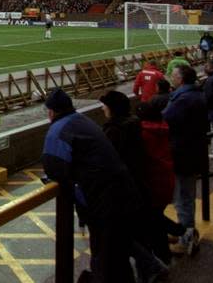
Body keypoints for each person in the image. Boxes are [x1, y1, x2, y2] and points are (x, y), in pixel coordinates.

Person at [42, 88, 141, 283]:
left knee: (106, 259)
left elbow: (53, 168)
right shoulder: (82, 121)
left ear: (51, 112)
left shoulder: (59, 130)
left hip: (104, 202)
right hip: (124, 194)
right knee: (117, 258)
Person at [98, 91, 168, 283]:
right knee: (136, 232)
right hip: (137, 187)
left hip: (121, 192)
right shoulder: (134, 124)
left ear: (112, 108)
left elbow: (108, 162)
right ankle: (150, 268)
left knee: (120, 235)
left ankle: (150, 267)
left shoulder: (115, 130)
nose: (102, 108)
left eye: (105, 105)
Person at [162, 65, 207, 255]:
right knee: (185, 197)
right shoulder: (195, 94)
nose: (171, 78)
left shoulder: (183, 99)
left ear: (181, 79)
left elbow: (166, 119)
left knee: (183, 198)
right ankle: (184, 233)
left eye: (173, 76)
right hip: (192, 152)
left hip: (183, 154)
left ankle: (186, 238)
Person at [136, 101, 180, 266]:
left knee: (153, 220)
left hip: (152, 184)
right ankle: (167, 246)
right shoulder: (162, 128)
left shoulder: (144, 134)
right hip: (166, 180)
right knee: (155, 217)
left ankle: (163, 256)